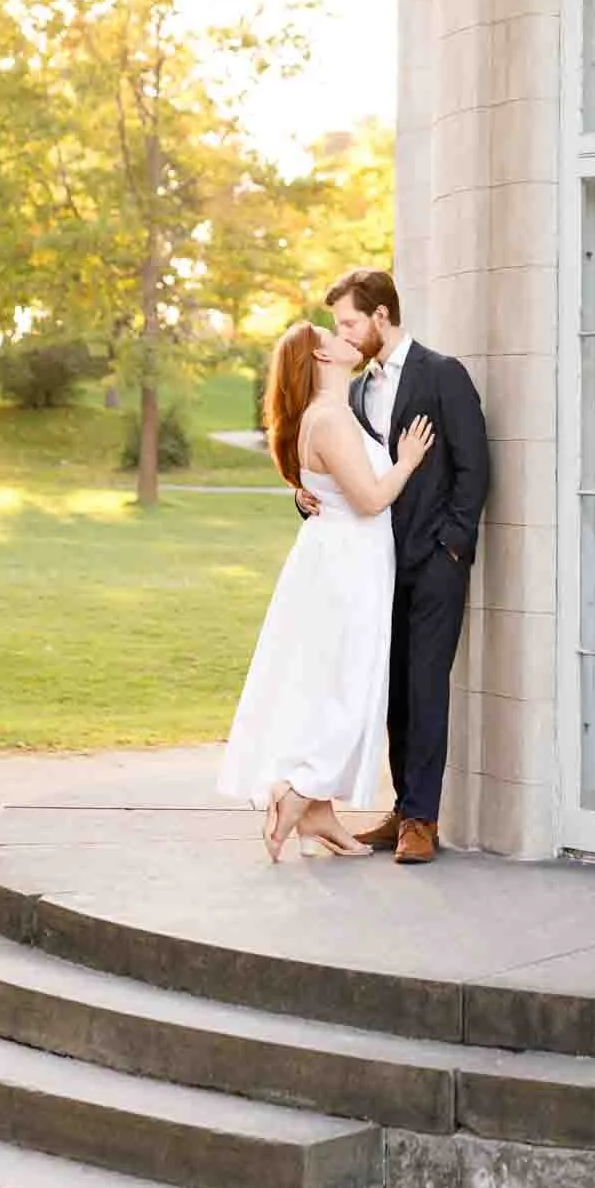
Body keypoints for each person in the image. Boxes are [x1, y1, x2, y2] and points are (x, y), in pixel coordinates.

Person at [218, 317, 435, 861]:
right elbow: (367, 498)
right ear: (322, 359)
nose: (347, 339)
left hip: (347, 562)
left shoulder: (337, 414)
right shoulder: (330, 420)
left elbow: (326, 487)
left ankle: (318, 816)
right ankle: (297, 790)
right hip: (347, 568)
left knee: (338, 683)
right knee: (348, 687)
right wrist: (407, 463)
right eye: (334, 337)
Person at [304, 269, 490, 866]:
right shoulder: (356, 394)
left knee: (427, 685)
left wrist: (453, 548)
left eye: (352, 323)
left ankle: (421, 820)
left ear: (382, 316)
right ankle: (400, 805)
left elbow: (474, 469)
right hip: (376, 568)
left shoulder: (443, 375)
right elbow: (350, 474)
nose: (346, 336)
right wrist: (305, 497)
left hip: (435, 564)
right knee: (394, 692)